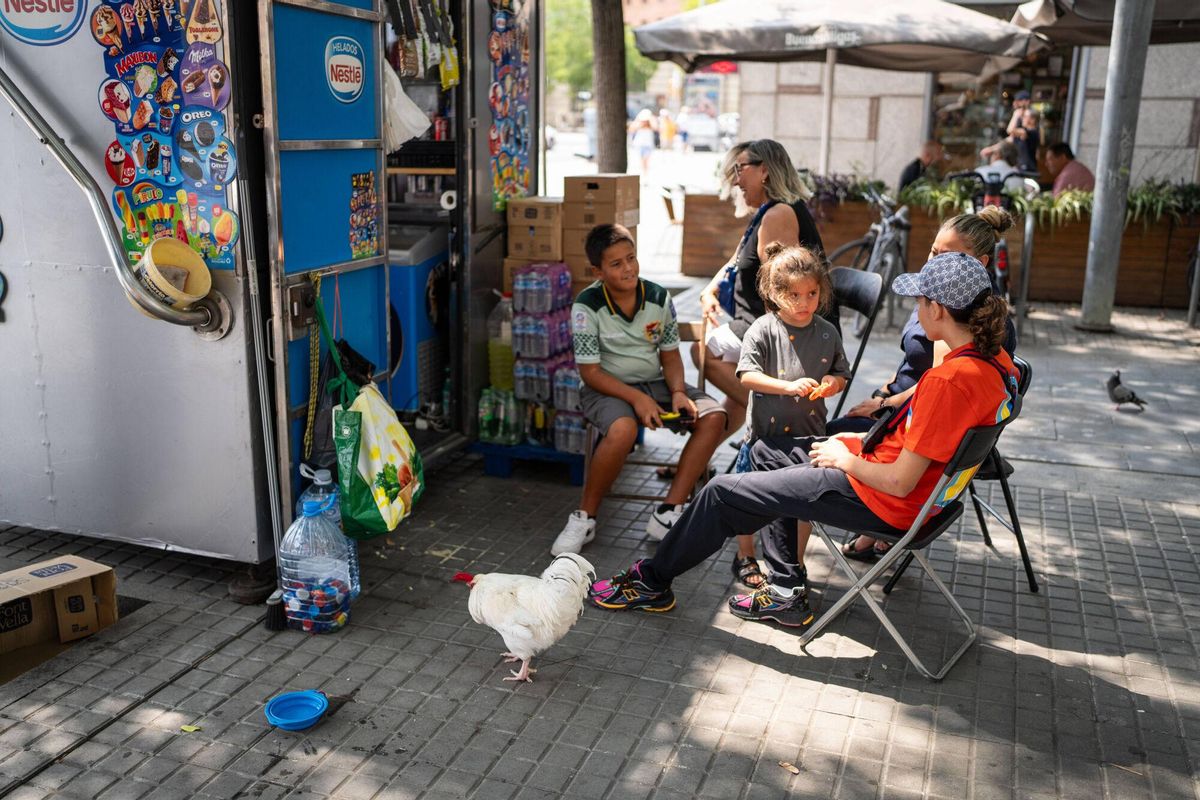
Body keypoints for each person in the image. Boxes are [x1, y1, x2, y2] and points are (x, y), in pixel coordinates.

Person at [587, 252, 1018, 628]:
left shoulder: (950, 381)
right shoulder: (998, 363)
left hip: (885, 499)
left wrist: (843, 457)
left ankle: (652, 581)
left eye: (919, 302)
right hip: (911, 493)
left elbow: (901, 482)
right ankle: (786, 589)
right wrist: (856, 439)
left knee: (720, 492)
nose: (915, 311)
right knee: (763, 450)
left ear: (938, 310)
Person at [826, 206, 1017, 559]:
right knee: (822, 435)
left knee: (819, 437)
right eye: (933, 251)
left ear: (981, 263)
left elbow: (939, 383)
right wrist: (884, 391)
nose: (934, 262)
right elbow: (911, 366)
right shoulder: (933, 296)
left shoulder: (956, 314)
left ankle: (853, 533)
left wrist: (884, 405)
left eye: (949, 256)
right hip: (909, 413)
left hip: (917, 428)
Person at [551, 224, 727, 556]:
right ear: (598, 271)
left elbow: (671, 356)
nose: (628, 268)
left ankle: (668, 511)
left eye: (631, 258)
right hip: (603, 388)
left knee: (714, 416)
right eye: (616, 263)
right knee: (623, 428)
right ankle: (584, 517)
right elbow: (590, 373)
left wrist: (677, 391)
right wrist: (637, 398)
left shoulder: (659, 296)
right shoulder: (586, 306)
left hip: (656, 383)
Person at [729, 243, 850, 590]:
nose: (804, 302)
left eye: (811, 293)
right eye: (794, 295)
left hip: (808, 436)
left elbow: (842, 374)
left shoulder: (827, 333)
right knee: (748, 499)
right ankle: (745, 555)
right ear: (774, 292)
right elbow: (747, 376)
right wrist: (787, 387)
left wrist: (831, 384)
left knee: (803, 506)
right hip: (763, 437)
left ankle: (792, 564)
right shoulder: (763, 330)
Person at [694, 140, 826, 442]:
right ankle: (699, 458)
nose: (737, 179)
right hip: (754, 322)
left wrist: (774, 354)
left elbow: (782, 292)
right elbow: (738, 258)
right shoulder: (770, 211)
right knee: (734, 398)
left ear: (764, 171)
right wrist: (709, 290)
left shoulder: (778, 215)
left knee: (704, 352)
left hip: (774, 329)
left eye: (740, 169)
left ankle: (780, 413)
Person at [629, 109, 657, 174]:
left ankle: (645, 172)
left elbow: (656, 128)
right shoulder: (638, 125)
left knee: (646, 160)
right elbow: (631, 129)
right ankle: (644, 172)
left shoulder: (651, 126)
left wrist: (651, 118)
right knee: (642, 160)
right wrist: (638, 119)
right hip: (640, 144)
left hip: (648, 145)